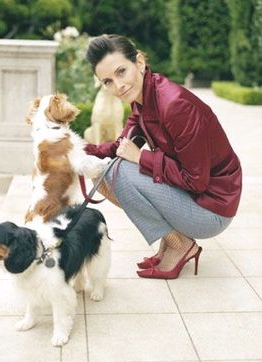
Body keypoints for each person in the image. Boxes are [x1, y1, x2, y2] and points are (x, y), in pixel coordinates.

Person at [84, 34, 242, 279]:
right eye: (108, 81)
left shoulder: (174, 105)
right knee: (99, 173)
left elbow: (197, 181)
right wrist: (77, 149)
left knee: (119, 172)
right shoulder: (142, 99)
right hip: (192, 196)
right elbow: (119, 146)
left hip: (212, 209)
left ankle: (180, 245)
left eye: (121, 72)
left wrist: (141, 158)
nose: (118, 85)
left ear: (139, 62)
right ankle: (171, 242)